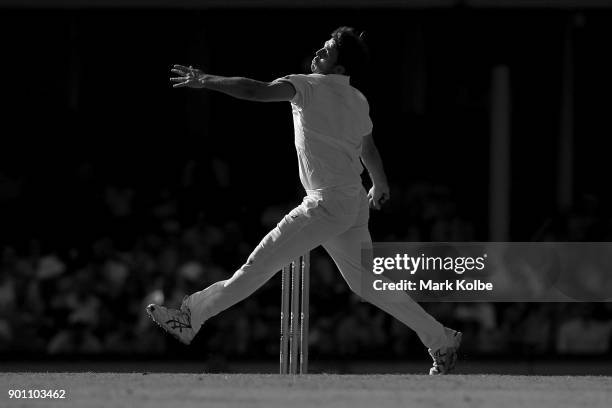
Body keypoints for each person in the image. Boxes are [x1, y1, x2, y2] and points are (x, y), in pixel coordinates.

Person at [147, 26, 461, 375]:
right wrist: (380, 183)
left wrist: (207, 80)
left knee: (257, 267)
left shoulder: (307, 85)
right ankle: (441, 339)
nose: (318, 54)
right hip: (352, 202)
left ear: (340, 69)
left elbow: (256, 91)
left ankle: (190, 317)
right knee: (365, 284)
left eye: (326, 52)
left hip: (326, 204)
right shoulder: (358, 99)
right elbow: (367, 148)